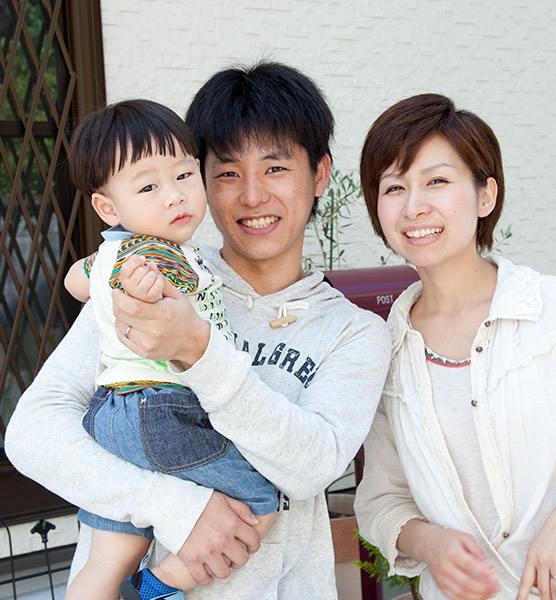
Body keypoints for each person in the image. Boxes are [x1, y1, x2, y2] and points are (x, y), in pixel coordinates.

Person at [5, 62, 391, 600]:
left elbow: (311, 466)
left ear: (320, 173)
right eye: (228, 173)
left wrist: (198, 349)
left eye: (275, 168)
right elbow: (31, 433)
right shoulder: (153, 279)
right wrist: (171, 506)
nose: (252, 196)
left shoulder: (352, 332)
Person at [354, 93, 556, 600]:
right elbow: (381, 500)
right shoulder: (386, 350)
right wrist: (431, 543)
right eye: (394, 187)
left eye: (436, 181)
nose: (414, 206)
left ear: (485, 196)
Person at [61, 99, 278, 600]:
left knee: (106, 557)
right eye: (148, 187)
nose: (175, 196)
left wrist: (105, 285)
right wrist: (143, 291)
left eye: (183, 176)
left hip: (109, 412)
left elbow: (75, 279)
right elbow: (174, 302)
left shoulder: (111, 252)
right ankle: (160, 586)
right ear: (107, 208)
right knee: (260, 503)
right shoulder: (159, 254)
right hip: (162, 409)